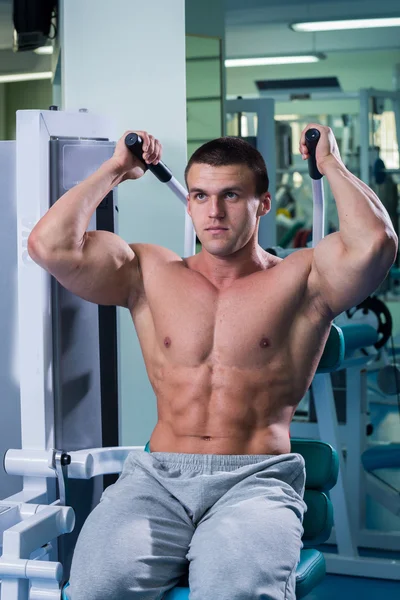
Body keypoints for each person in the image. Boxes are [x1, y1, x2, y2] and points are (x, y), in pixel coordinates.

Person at [28, 125, 398, 600]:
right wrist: (117, 168)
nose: (213, 211)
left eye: (231, 195)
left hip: (256, 480)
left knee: (233, 592)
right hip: (156, 479)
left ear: (262, 204)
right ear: (189, 203)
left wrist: (329, 164)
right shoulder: (149, 273)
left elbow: (376, 244)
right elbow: (49, 245)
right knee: (97, 586)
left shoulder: (303, 278)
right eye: (200, 195)